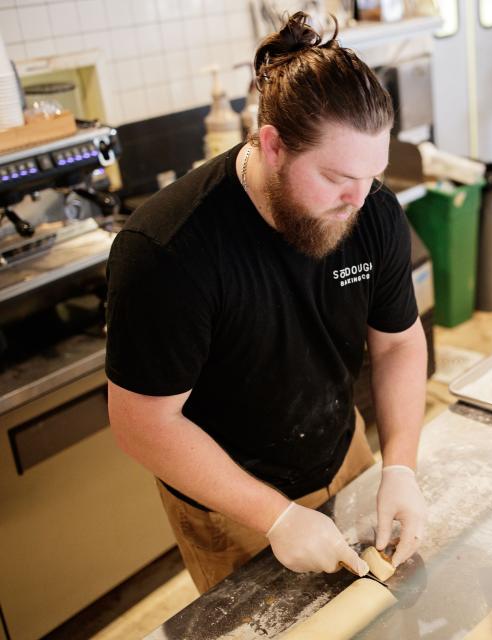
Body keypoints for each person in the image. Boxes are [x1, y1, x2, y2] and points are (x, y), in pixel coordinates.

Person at [105, 12, 428, 594]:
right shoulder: (168, 250)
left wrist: (399, 462)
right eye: (335, 178)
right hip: (231, 500)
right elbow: (142, 425)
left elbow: (400, 341)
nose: (358, 201)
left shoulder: (371, 209)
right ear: (272, 146)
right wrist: (275, 516)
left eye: (371, 176)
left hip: (342, 450)